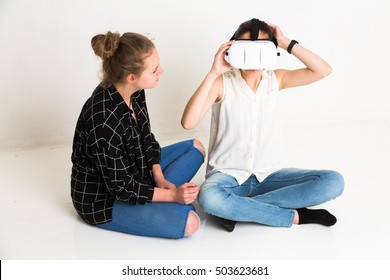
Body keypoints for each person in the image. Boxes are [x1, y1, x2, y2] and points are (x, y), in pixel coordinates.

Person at [181, 19, 344, 232]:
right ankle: (295, 216)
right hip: (227, 178)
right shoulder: (223, 83)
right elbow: (188, 122)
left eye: (261, 51)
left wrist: (286, 42)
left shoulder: (276, 79)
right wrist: (213, 72)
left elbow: (323, 70)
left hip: (270, 175)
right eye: (246, 50)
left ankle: (238, 209)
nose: (253, 60)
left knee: (333, 181)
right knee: (210, 198)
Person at [71, 31, 205, 239]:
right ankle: (170, 204)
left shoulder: (134, 90)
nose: (162, 71)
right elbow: (121, 187)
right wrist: (171, 195)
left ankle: (162, 198)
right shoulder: (103, 120)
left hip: (137, 171)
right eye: (154, 70)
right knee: (191, 224)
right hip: (107, 199)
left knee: (195, 148)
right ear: (131, 77)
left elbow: (146, 138)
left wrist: (159, 177)